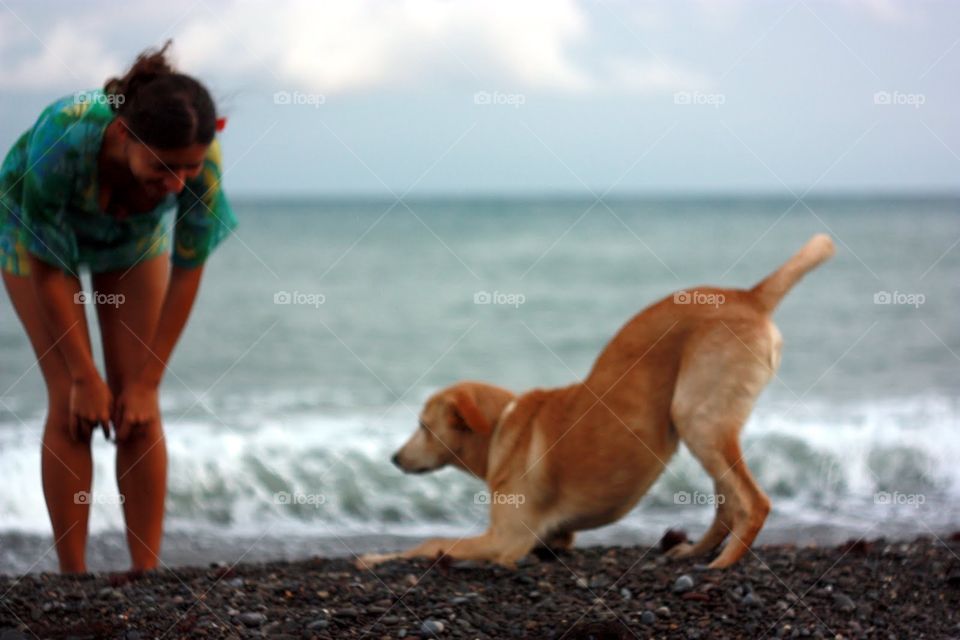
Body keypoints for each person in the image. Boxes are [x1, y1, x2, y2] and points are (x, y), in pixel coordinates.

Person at [0, 41, 237, 573]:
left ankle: (145, 574)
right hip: (29, 233)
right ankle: (73, 577)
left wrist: (149, 381)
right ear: (125, 134)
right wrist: (84, 375)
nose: (177, 183)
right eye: (163, 167)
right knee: (72, 401)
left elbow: (189, 265)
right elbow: (50, 268)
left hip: (130, 237)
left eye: (188, 169)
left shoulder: (203, 159)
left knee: (137, 409)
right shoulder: (62, 137)